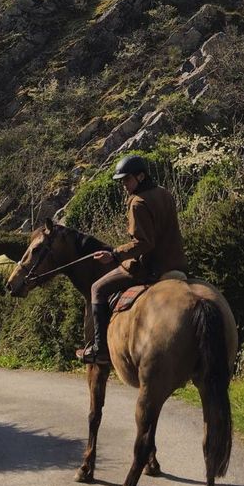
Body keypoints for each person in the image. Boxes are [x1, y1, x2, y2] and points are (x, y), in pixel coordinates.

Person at [77, 154, 187, 365]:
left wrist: (115, 254)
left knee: (97, 289)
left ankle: (100, 350)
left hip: (150, 268)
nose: (124, 185)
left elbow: (144, 243)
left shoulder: (137, 203)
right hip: (177, 263)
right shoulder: (164, 193)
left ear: (141, 176)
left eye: (127, 180)